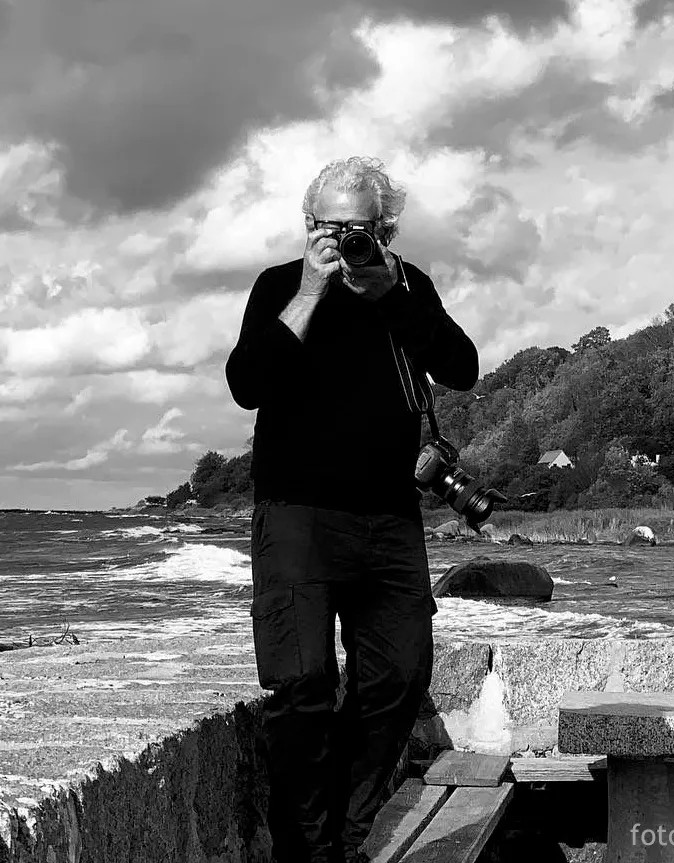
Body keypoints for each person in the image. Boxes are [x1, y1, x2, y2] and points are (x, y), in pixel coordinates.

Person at [224, 157, 479, 863]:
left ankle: (349, 833)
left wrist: (391, 293)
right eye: (331, 228)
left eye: (359, 228)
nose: (345, 241)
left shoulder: (405, 287)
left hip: (388, 519)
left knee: (399, 678)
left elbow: (462, 366)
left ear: (385, 228)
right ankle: (308, 847)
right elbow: (249, 383)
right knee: (301, 681)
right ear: (308, 226)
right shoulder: (279, 286)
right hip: (297, 516)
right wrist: (310, 289)